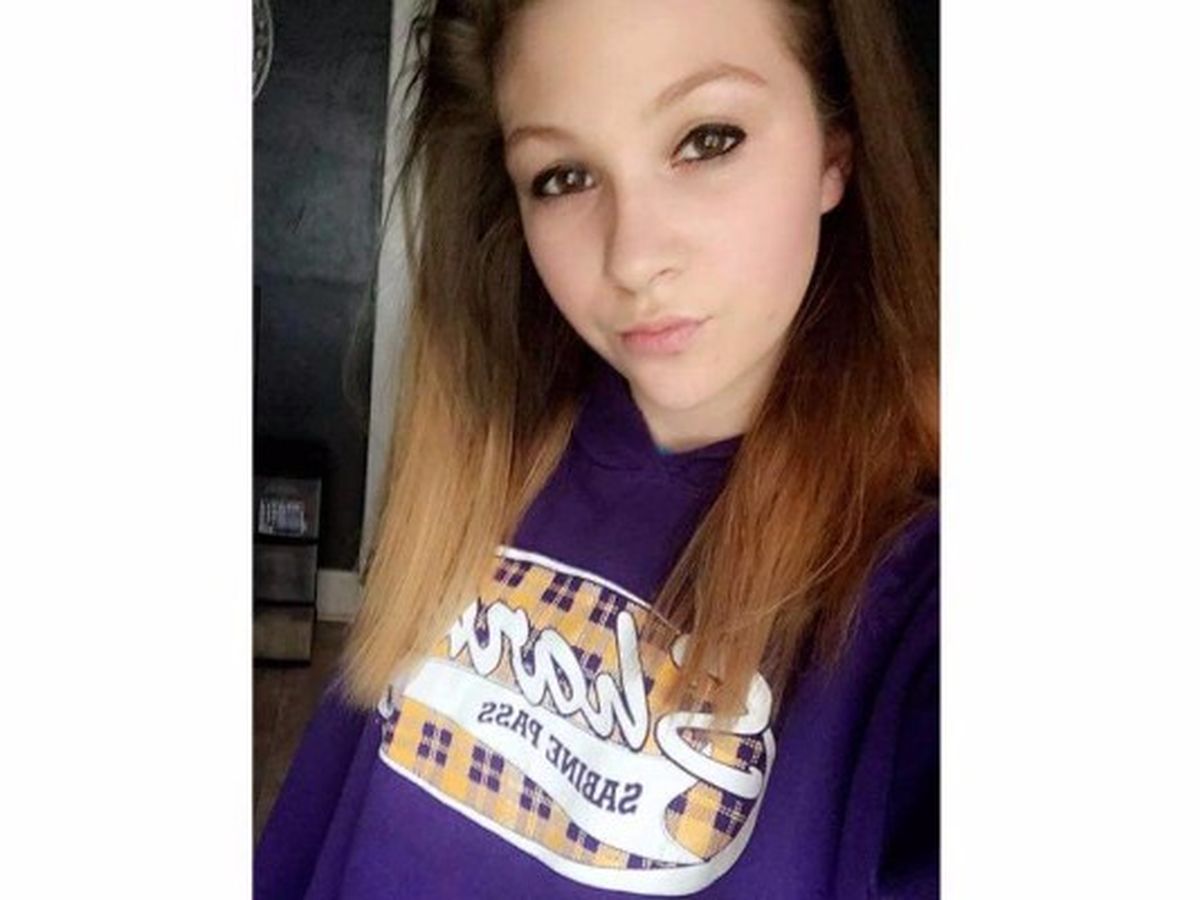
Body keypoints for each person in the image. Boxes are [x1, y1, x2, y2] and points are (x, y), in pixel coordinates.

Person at [255, 0, 938, 896]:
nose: (633, 257)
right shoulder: (473, 485)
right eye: (564, 176)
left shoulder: (915, 604)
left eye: (707, 140)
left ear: (833, 152)